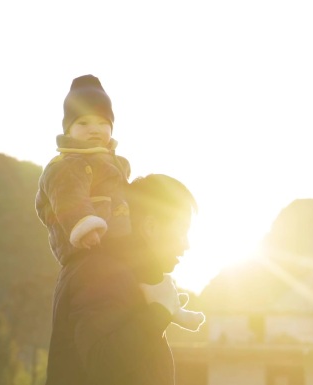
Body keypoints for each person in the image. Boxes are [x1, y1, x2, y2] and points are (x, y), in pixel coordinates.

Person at [35, 74, 204, 332]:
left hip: (115, 238)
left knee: (143, 269)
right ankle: (165, 308)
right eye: (83, 122)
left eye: (103, 123)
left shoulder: (112, 163)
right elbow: (69, 199)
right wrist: (85, 226)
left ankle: (170, 308)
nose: (94, 129)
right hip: (89, 241)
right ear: (67, 130)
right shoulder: (67, 165)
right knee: (138, 267)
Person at [45, 174, 201, 385]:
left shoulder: (124, 274)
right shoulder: (100, 271)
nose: (187, 245)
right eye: (182, 230)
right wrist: (158, 312)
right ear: (151, 227)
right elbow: (102, 363)